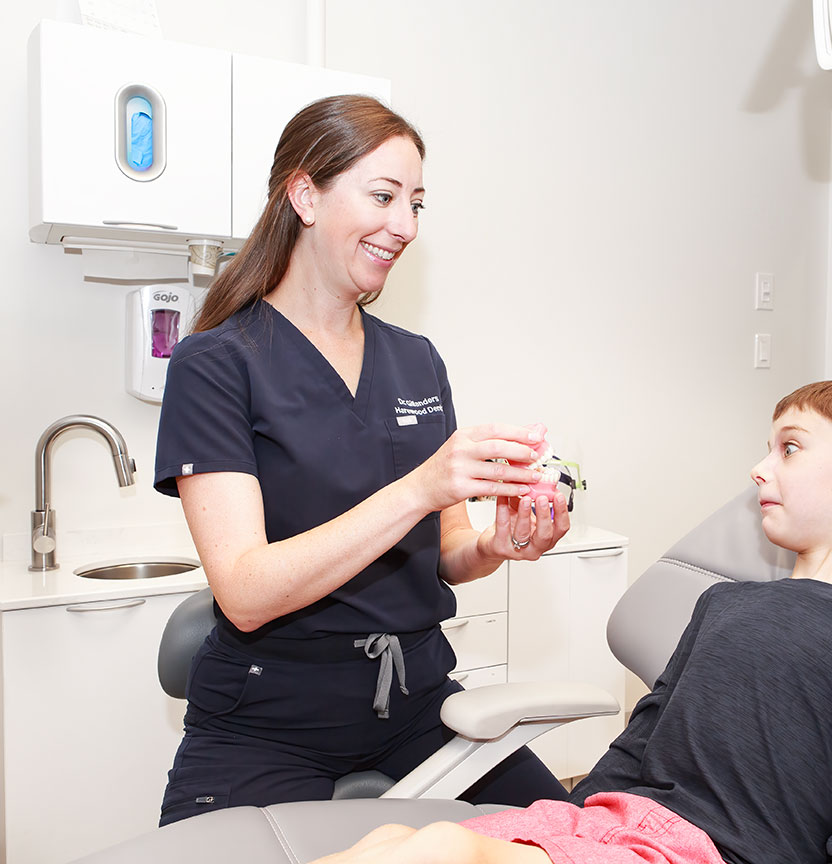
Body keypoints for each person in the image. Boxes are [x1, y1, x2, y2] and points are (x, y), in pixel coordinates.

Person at [310, 379, 832, 864]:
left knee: (440, 851)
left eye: (789, 449)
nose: (759, 469)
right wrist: (559, 824)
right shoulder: (725, 604)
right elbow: (643, 736)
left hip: (706, 853)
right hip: (614, 825)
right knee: (397, 836)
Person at [153, 94, 572, 826]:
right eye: (382, 197)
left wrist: (498, 545)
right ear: (305, 194)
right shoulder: (216, 363)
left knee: (573, 840)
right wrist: (421, 486)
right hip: (269, 715)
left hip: (419, 700)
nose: (404, 226)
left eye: (415, 203)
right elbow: (246, 591)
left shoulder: (415, 361)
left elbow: (445, 556)